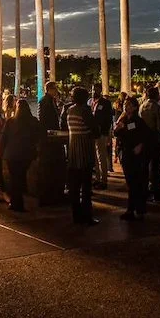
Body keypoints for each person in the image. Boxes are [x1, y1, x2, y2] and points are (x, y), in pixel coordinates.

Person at [114, 96, 152, 221]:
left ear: (135, 107)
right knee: (131, 182)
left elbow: (146, 135)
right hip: (125, 153)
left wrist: (140, 145)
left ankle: (137, 209)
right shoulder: (124, 119)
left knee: (136, 182)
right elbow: (117, 133)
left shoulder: (138, 121)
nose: (127, 106)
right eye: (126, 104)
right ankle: (132, 209)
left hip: (135, 154)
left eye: (129, 105)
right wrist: (117, 129)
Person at [1, 99, 42, 212]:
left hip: (12, 154)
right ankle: (18, 202)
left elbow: (3, 138)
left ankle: (16, 203)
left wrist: (3, 151)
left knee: (15, 178)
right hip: (26, 154)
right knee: (21, 176)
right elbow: (39, 135)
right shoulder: (33, 121)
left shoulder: (11, 122)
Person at [66, 87, 99, 225]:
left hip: (73, 149)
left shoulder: (69, 110)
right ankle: (87, 216)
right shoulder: (85, 111)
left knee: (74, 186)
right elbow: (95, 130)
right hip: (85, 149)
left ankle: (76, 214)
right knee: (86, 186)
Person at [139, 86, 160, 202]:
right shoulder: (157, 107)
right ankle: (156, 193)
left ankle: (145, 191)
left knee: (145, 167)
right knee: (155, 168)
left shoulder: (142, 106)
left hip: (144, 140)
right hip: (154, 140)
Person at [91, 83, 113, 190]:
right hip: (92, 133)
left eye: (96, 89)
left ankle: (104, 180)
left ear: (100, 90)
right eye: (93, 89)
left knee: (101, 156)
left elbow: (108, 119)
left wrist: (107, 133)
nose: (94, 91)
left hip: (101, 133)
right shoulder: (90, 102)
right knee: (95, 157)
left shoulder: (106, 103)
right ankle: (97, 179)